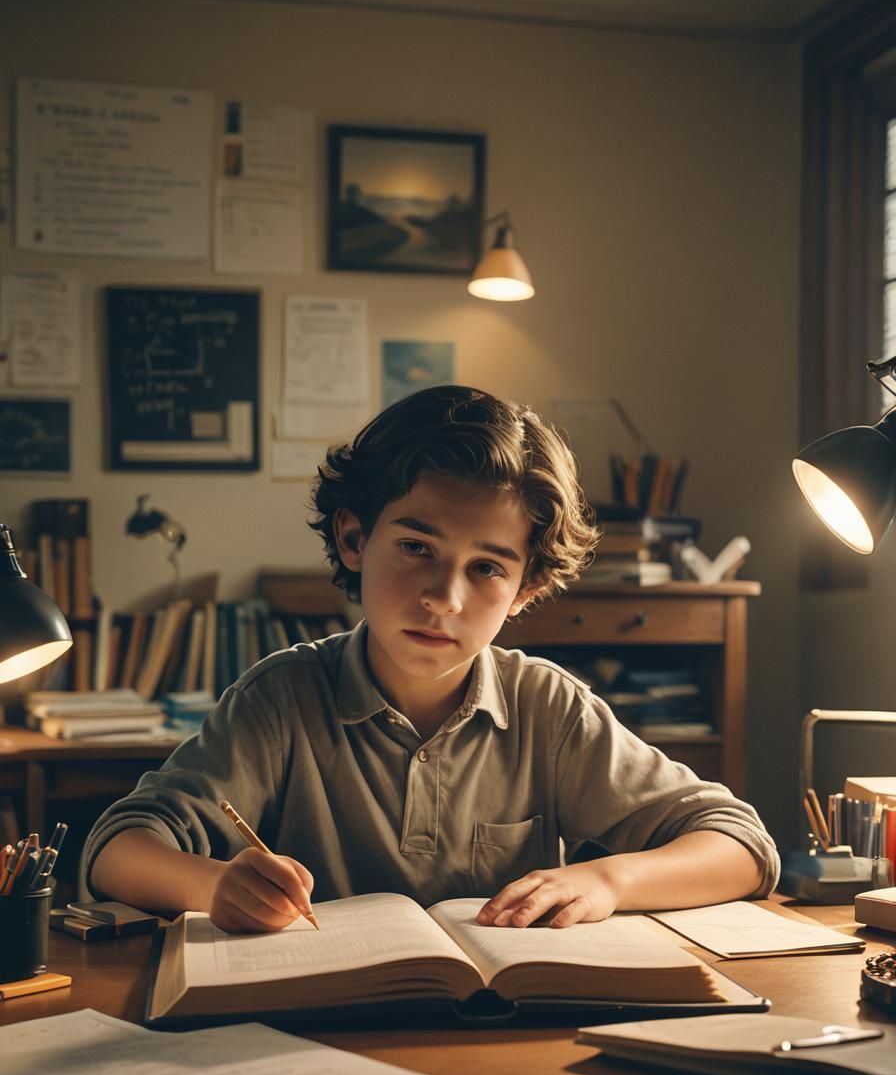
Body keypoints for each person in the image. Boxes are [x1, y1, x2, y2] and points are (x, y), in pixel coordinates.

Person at [84, 385, 779, 933]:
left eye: (486, 569)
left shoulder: (549, 709)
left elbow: (741, 845)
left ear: (524, 592)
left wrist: (608, 881)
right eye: (417, 548)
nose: (443, 598)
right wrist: (213, 886)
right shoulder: (281, 699)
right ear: (354, 540)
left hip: (504, 1038)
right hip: (313, 1037)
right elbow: (116, 848)